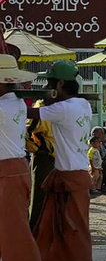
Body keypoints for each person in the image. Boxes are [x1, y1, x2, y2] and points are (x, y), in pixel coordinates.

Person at [27, 59, 93, 261]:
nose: (47, 89)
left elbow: (30, 114)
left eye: (50, 84)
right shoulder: (83, 104)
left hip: (70, 178)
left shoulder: (62, 109)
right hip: (75, 175)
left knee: (73, 234)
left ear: (60, 85)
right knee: (62, 231)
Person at [0, 54, 43, 261]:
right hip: (14, 170)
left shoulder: (3, 108)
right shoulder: (14, 102)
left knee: (14, 233)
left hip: (8, 173)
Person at [25, 98, 57, 231]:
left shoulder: (58, 108)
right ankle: (34, 232)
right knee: (40, 198)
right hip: (45, 158)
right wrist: (38, 149)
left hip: (57, 157)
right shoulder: (41, 108)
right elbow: (25, 130)